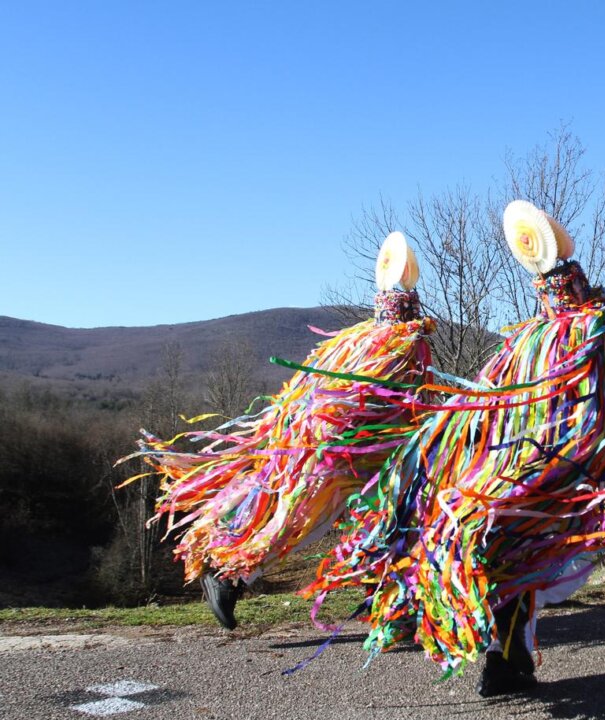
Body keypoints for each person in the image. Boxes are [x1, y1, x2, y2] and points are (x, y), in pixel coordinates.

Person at [303, 201, 605, 697]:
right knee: (518, 553)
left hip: (510, 466)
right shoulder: (576, 334)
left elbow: (492, 400)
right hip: (535, 469)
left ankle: (497, 654)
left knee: (499, 549)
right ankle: (499, 655)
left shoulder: (531, 341)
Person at [130, 232, 436, 630]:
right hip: (338, 459)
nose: (414, 317)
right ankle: (226, 572)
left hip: (377, 461)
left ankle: (390, 605)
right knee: (302, 517)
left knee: (394, 518)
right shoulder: (377, 346)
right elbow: (336, 401)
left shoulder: (393, 346)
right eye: (409, 309)